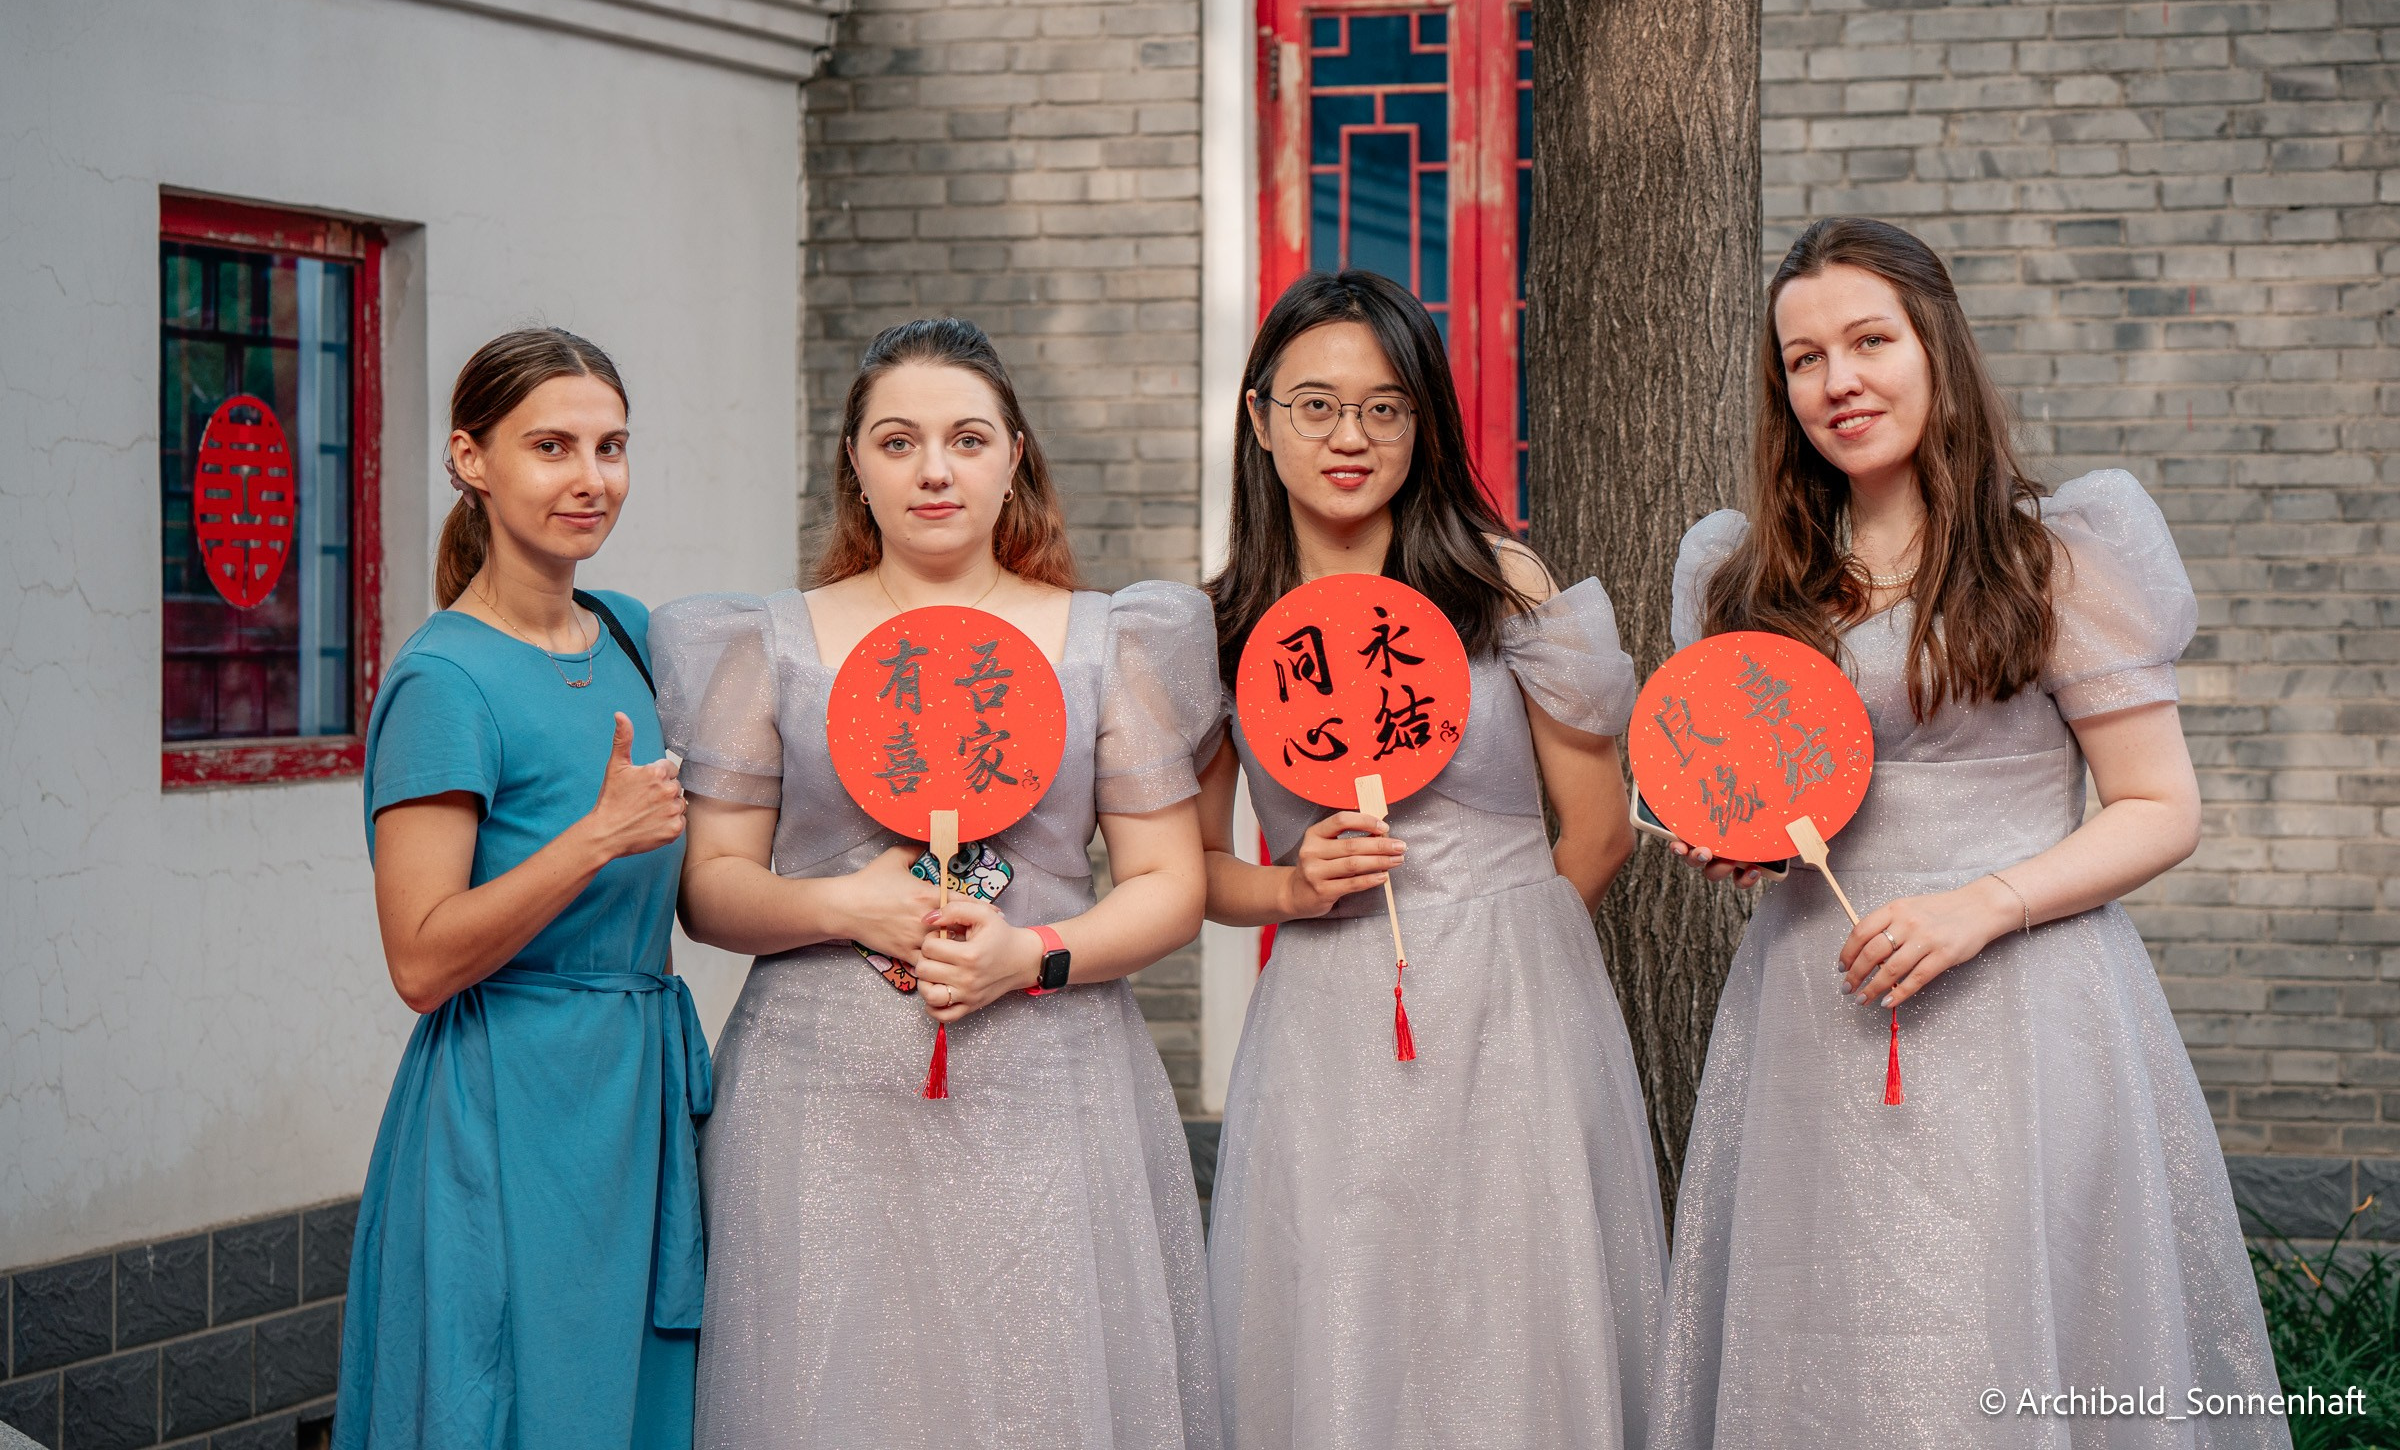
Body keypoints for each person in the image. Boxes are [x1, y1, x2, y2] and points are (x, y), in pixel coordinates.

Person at [1649, 217, 2286, 1447]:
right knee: (1830, 1339)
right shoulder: (1743, 581)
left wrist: (1980, 904)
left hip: (2025, 1015)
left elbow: (2162, 809)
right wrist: (1742, 841)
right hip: (1813, 1007)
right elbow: (1771, 797)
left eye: (1870, 339)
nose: (1838, 380)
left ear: (1937, 348)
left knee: (1996, 1337)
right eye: (1803, 358)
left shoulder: (2053, 559)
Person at [653, 317, 1222, 1450]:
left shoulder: (1110, 640)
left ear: (1014, 457)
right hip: (823, 1096)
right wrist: (840, 903)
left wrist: (1033, 955)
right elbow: (709, 888)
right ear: (855, 466)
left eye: (966, 438)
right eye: (898, 440)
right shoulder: (766, 643)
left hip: (1052, 1081)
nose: (934, 468)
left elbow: (1168, 882)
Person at [1198, 269, 1666, 1450]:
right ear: (1259, 418)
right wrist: (1294, 887)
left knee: (1514, 1304)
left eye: (1384, 406)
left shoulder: (1503, 590)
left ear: (1424, 423)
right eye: (1315, 404)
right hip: (1326, 1009)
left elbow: (1599, 829)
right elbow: (1194, 868)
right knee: (1346, 1297)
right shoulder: (1215, 625)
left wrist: (1502, 937)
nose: (1349, 435)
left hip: (1518, 1001)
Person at [337, 329, 705, 1449]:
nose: (589, 479)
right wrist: (594, 838)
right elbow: (422, 957)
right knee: (506, 1408)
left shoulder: (638, 635)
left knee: (636, 1405)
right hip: (508, 1105)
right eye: (551, 446)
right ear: (472, 458)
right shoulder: (444, 679)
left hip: (639, 1093)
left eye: (611, 447)